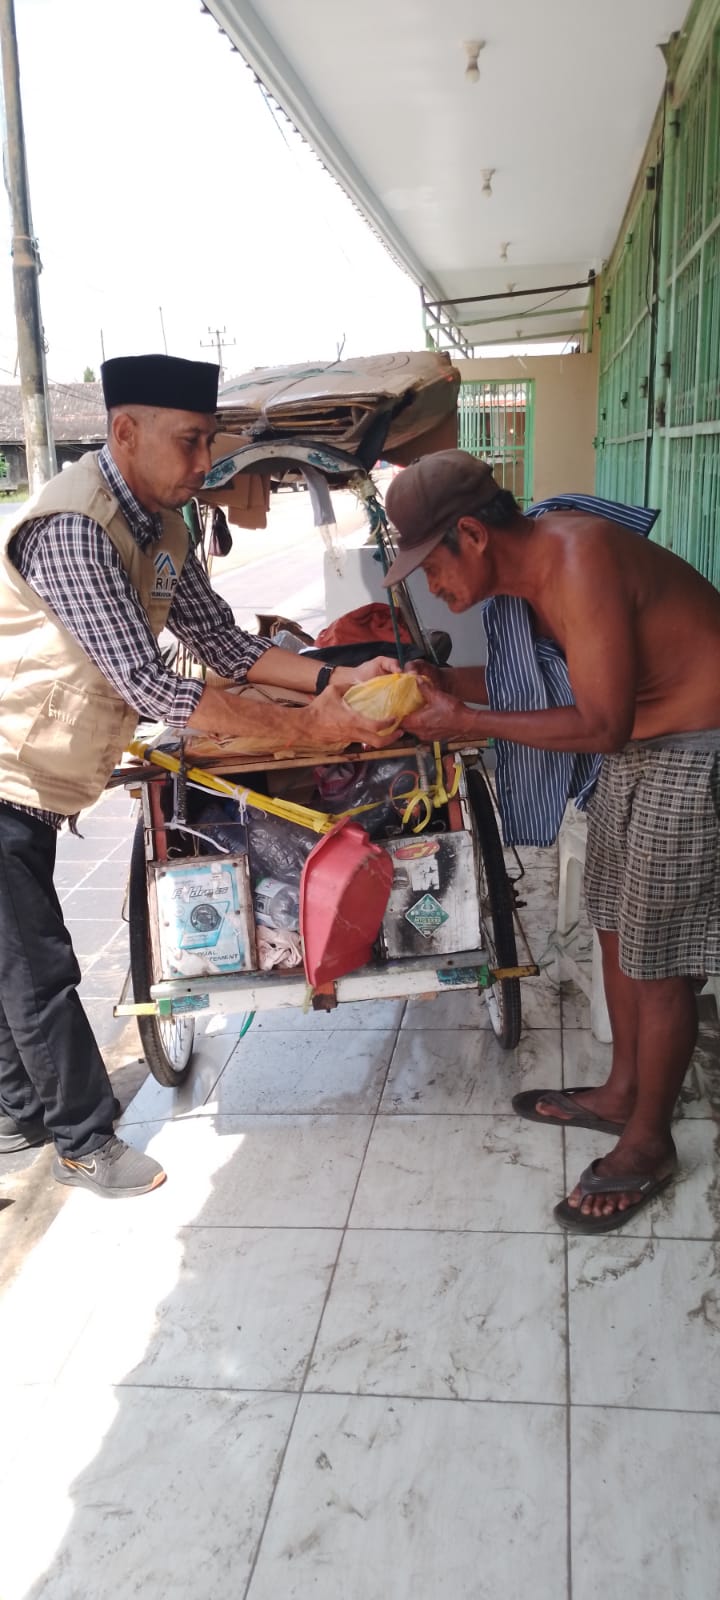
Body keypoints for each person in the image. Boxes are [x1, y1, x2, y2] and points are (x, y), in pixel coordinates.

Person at [0, 353, 394, 1198]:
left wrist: (334, 681)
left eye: (210, 440)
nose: (204, 462)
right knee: (34, 966)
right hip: (5, 769)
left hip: (32, 779)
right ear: (124, 433)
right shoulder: (74, 528)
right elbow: (151, 685)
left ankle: (15, 1114)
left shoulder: (164, 529)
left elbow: (225, 647)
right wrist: (303, 729)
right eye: (189, 441)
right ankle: (83, 1142)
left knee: (8, 954)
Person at [382, 448, 720, 1234]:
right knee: (612, 919)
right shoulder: (530, 584)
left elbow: (599, 723)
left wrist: (465, 721)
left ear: (471, 534)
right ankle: (620, 1092)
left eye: (432, 568)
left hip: (699, 744)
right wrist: (439, 690)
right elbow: (537, 691)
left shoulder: (581, 556)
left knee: (660, 957)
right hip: (645, 743)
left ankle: (648, 1143)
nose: (434, 588)